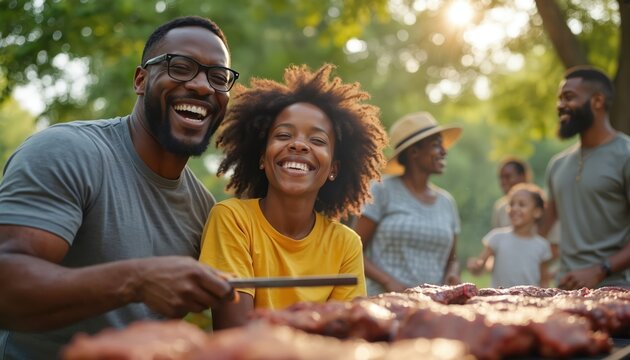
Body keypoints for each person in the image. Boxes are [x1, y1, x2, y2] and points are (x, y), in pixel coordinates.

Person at [0, 16, 238, 358]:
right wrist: (136, 280)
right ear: (141, 80)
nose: (203, 86)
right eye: (181, 67)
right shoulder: (68, 152)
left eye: (218, 77)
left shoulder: (205, 211)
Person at [199, 64, 388, 329]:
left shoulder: (345, 244)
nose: (298, 144)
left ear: (333, 169)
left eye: (318, 140)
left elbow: (345, 336)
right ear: (263, 158)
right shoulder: (232, 219)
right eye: (283, 135)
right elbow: (235, 330)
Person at [539, 66, 630, 289]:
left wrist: (599, 270)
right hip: (564, 289)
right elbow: (542, 230)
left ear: (597, 101)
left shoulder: (626, 154)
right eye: (559, 99)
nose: (560, 106)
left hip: (617, 291)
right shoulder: (557, 164)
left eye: (569, 97)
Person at [353, 112, 462, 296]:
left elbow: (452, 259)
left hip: (434, 307)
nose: (444, 151)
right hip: (385, 303)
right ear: (414, 152)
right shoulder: (382, 190)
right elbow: (353, 250)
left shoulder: (447, 202)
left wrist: (452, 273)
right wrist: (388, 281)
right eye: (436, 145)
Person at [467, 183, 553, 288]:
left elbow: (544, 280)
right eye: (511, 204)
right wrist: (476, 266)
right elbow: (480, 268)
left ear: (537, 212)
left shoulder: (542, 246)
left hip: (529, 302)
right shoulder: (496, 237)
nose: (514, 208)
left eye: (521, 205)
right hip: (498, 301)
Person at [491, 157, 531, 229]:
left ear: (523, 176)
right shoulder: (500, 207)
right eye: (501, 178)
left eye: (508, 177)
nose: (503, 182)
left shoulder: (538, 203)